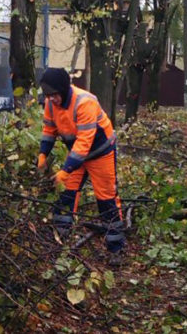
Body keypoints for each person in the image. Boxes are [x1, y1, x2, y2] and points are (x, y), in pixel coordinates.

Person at [36, 68, 125, 263]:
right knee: (66, 194)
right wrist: (43, 153)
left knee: (106, 198)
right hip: (77, 153)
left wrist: (66, 170)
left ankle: (115, 248)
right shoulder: (51, 104)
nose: (51, 100)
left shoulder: (85, 102)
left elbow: (85, 142)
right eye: (48, 96)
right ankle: (61, 240)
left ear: (63, 89)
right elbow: (49, 130)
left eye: (54, 95)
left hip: (100, 152)